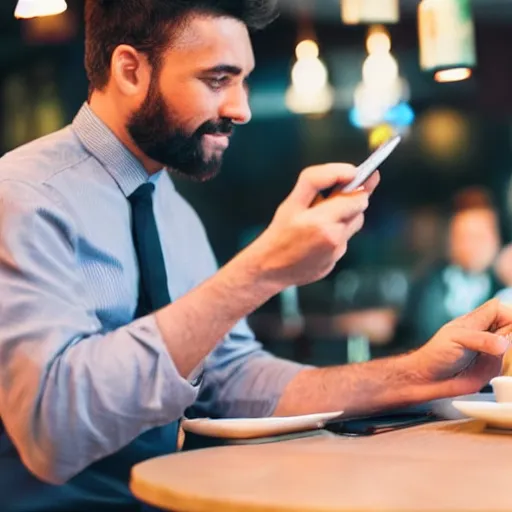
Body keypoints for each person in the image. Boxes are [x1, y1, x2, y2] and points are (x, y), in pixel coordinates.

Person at [0, 1, 510, 511]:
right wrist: (264, 267)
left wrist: (422, 372)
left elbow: (236, 378)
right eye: (218, 79)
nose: (241, 107)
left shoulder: (172, 210)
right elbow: (52, 433)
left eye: (242, 80)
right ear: (130, 70)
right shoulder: (23, 195)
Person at [397, 195, 503, 350]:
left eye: (479, 237)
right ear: (450, 242)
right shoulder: (426, 283)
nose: (471, 246)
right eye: (464, 237)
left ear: (496, 240)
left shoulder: (504, 288)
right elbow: (406, 333)